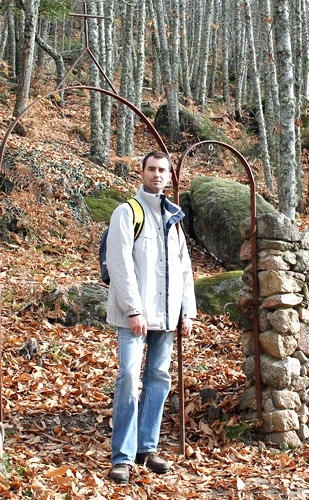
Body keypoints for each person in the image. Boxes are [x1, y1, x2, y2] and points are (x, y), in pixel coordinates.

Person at [104, 151, 196, 484]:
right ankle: (123, 457)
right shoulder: (127, 212)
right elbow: (119, 264)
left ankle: (146, 448)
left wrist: (187, 311)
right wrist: (133, 310)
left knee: (159, 377)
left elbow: (184, 267)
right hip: (136, 317)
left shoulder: (174, 217)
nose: (157, 174)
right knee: (129, 379)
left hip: (167, 316)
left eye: (162, 170)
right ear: (141, 172)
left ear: (169, 176)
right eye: (151, 169)